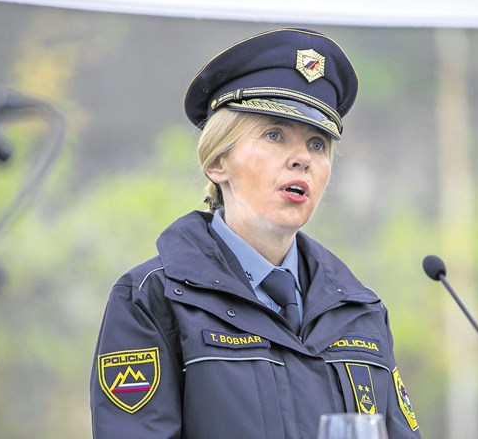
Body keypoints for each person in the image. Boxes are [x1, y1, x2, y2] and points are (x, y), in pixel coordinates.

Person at [90, 27, 421, 439]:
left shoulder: (361, 313)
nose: (302, 158)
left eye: (317, 144)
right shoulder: (152, 299)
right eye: (274, 135)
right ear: (217, 163)